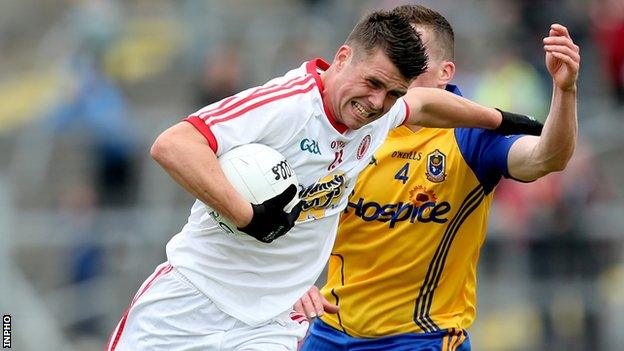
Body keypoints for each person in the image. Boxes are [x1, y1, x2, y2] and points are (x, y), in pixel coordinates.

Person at [106, 8, 544, 351]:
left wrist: (501, 119)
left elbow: (427, 104)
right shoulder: (286, 106)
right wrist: (249, 215)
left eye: (391, 93)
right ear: (342, 57)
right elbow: (173, 144)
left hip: (272, 322)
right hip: (192, 299)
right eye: (372, 83)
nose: (377, 103)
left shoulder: (380, 109)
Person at [295, 5, 580, 351]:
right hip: (331, 332)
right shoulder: (354, 129)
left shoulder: (471, 137)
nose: (402, 64)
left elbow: (548, 157)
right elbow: (293, 215)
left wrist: (565, 92)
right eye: (395, 53)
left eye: (415, 55)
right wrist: (294, 282)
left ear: (445, 72)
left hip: (425, 339)